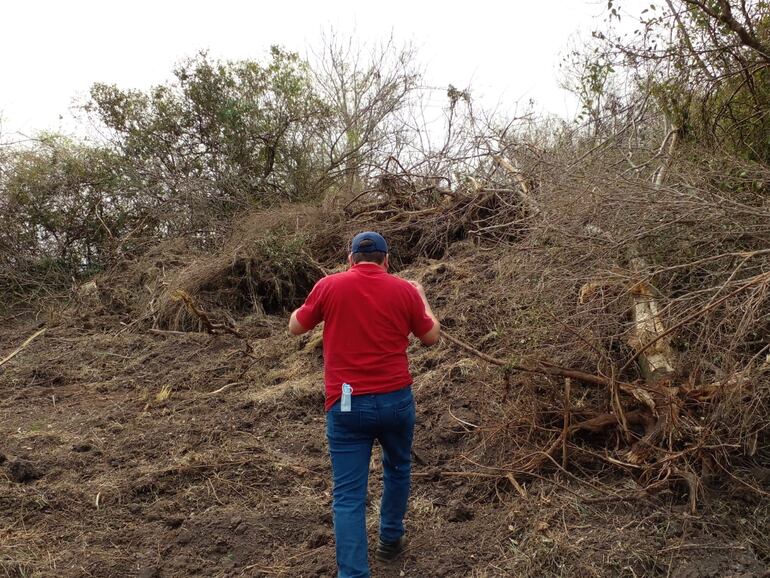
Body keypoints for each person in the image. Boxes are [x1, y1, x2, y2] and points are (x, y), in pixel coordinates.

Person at [288, 231, 440, 578]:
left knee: (348, 494)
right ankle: (390, 538)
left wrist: (316, 297)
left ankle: (354, 574)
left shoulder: (329, 286)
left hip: (345, 405)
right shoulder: (404, 290)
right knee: (398, 468)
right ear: (387, 260)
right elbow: (431, 337)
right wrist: (423, 297)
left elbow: (295, 326)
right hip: (396, 401)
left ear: (350, 259)